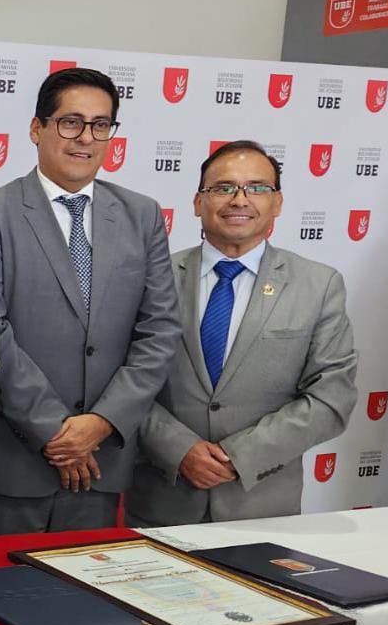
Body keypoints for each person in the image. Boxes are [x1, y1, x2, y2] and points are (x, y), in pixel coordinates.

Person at [0, 67, 180, 535]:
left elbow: (159, 331)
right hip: (13, 463)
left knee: (88, 581)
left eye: (101, 125)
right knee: (3, 579)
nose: (86, 138)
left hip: (101, 463)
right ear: (37, 129)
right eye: (71, 122)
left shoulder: (142, 216)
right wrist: (55, 431)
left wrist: (101, 423)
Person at [128, 141, 357, 525]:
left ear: (277, 202)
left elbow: (332, 398)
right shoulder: (150, 279)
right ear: (198, 202)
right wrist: (179, 449)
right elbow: (119, 380)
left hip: (263, 512)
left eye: (257, 187)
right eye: (223, 187)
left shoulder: (318, 285)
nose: (239, 199)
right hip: (161, 505)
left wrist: (240, 456)